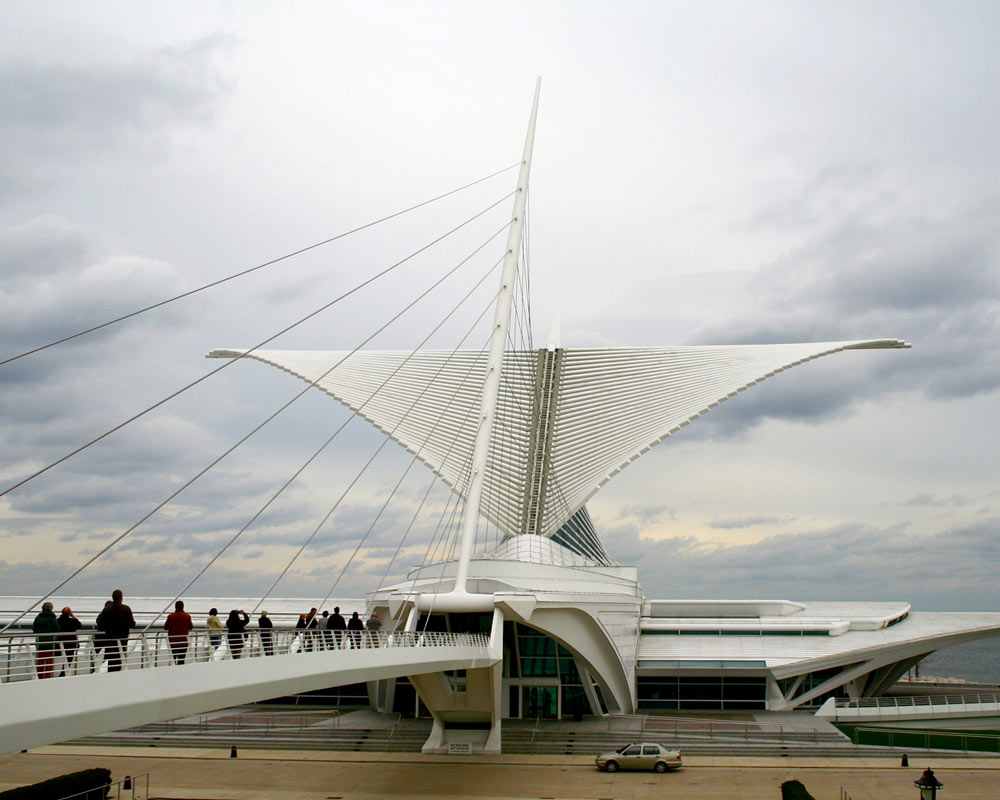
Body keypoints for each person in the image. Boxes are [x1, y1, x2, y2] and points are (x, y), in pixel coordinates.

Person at [97, 590, 136, 672]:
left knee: (111, 663)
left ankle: (111, 679)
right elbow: (132, 624)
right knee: (119, 663)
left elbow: (101, 625)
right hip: (122, 641)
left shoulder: (107, 610)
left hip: (110, 641)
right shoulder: (126, 609)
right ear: (121, 598)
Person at [32, 602, 61, 679]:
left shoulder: (38, 617)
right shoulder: (52, 618)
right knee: (48, 661)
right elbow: (57, 628)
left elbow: (34, 628)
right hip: (49, 642)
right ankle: (47, 676)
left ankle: (39, 676)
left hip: (40, 641)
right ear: (51, 608)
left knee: (40, 660)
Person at [164, 600, 194, 665]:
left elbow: (166, 627)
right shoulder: (187, 616)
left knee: (173, 660)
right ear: (183, 607)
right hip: (183, 642)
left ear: (175, 607)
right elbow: (191, 627)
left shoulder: (170, 616)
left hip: (173, 642)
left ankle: (173, 672)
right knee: (181, 660)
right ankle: (180, 673)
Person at [57, 607, 82, 676]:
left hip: (60, 642)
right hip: (71, 643)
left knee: (62, 657)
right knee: (69, 658)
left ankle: (63, 672)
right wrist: (73, 616)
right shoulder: (72, 621)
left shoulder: (58, 621)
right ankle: (63, 672)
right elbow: (79, 625)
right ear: (69, 613)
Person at [93, 599, 113, 671]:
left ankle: (94, 667)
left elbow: (98, 622)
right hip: (108, 636)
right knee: (107, 653)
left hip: (100, 636)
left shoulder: (101, 615)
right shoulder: (111, 616)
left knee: (95, 652)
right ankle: (103, 666)